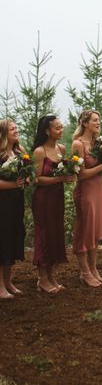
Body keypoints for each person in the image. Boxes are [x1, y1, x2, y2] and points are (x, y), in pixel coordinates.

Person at [32, 115, 74, 294]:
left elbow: (65, 172)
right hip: (43, 198)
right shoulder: (39, 152)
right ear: (47, 131)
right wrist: (60, 178)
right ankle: (42, 278)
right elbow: (37, 179)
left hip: (57, 197)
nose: (61, 130)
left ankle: (51, 275)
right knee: (44, 234)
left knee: (55, 233)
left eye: (61, 127)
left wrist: (70, 176)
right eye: (57, 128)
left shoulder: (61, 148)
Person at [72, 110, 102, 287]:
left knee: (94, 232)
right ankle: (85, 272)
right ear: (85, 123)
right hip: (85, 192)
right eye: (95, 120)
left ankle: (94, 268)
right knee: (84, 232)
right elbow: (80, 175)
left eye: (99, 120)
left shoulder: (99, 143)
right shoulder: (78, 144)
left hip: (98, 190)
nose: (98, 123)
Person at [0, 119, 26, 299]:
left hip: (17, 202)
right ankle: (0, 286)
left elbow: (26, 172)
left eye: (17, 127)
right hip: (3, 203)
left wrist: (28, 177)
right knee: (2, 242)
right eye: (12, 129)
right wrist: (13, 184)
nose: (16, 131)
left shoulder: (19, 151)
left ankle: (9, 282)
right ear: (3, 133)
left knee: (13, 240)